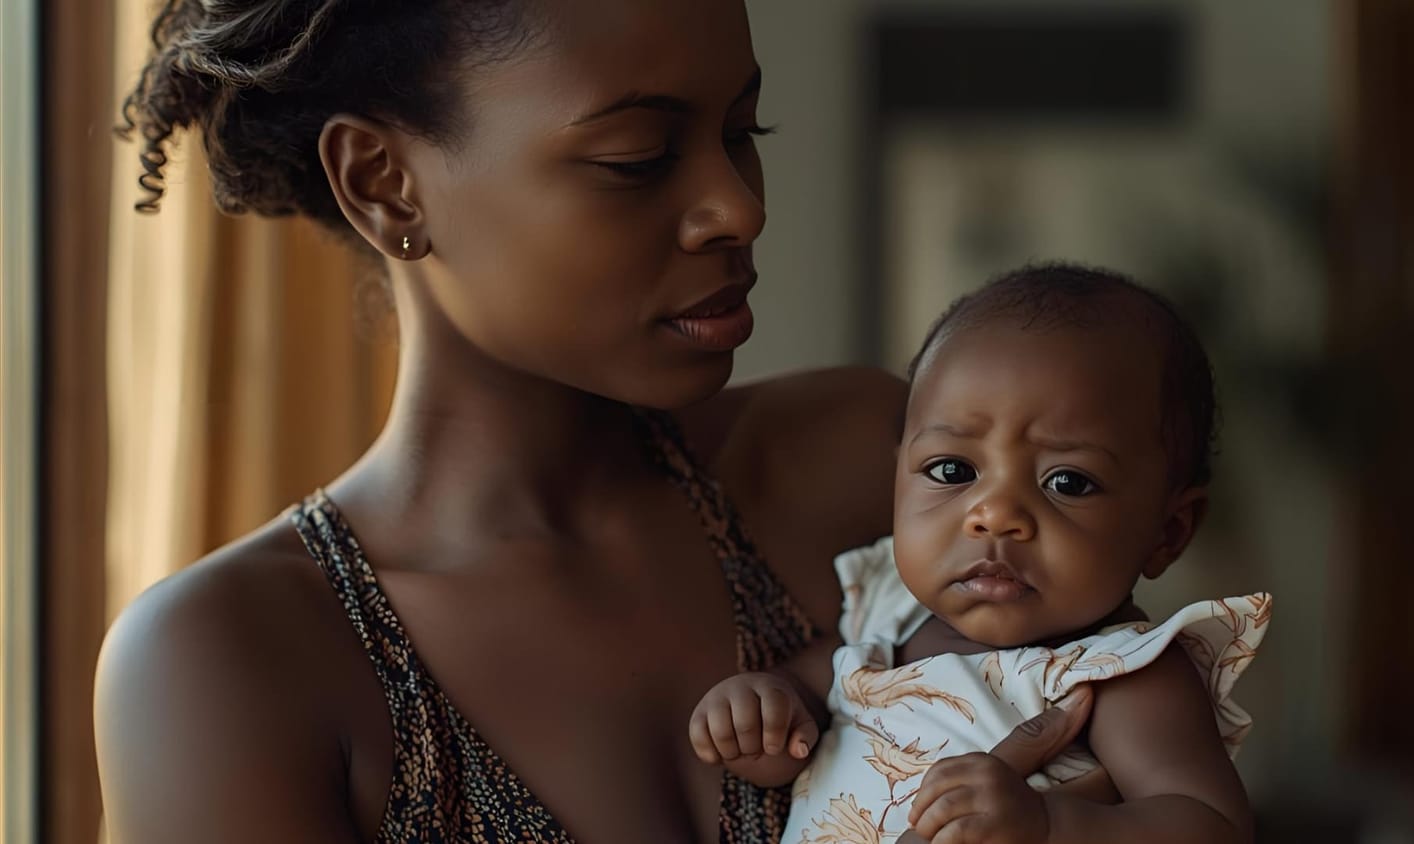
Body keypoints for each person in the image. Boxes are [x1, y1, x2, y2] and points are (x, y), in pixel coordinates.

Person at [94, 3, 1107, 842]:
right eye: (637, 156)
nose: (736, 208)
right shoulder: (226, 665)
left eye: (741, 133)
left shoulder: (872, 467)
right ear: (382, 181)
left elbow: (1158, 760)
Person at [689, 264, 1272, 844]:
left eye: (1067, 482)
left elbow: (1210, 825)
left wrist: (1052, 824)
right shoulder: (885, 612)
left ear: (1167, 532)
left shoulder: (1115, 673)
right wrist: (763, 715)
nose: (994, 513)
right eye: (952, 470)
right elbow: (802, 711)